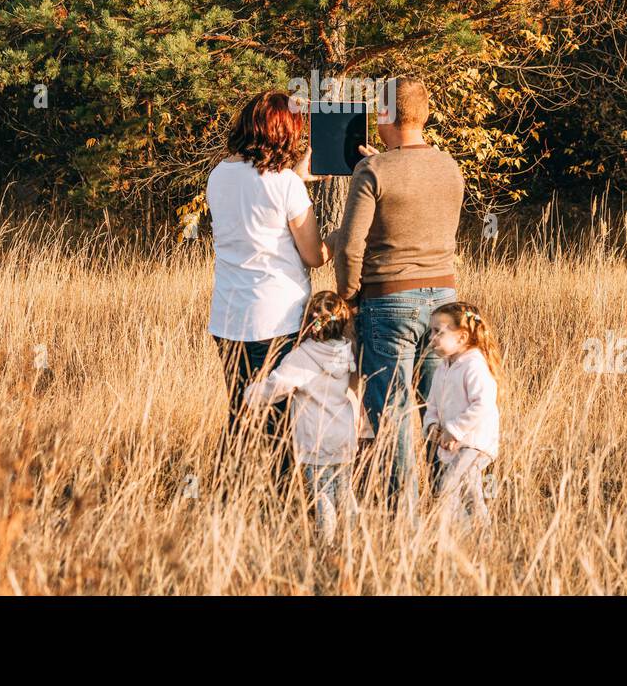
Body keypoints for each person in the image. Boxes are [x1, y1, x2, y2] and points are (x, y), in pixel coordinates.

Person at [330, 77, 464, 516]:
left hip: (388, 300)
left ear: (385, 116)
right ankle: (447, 502)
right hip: (444, 301)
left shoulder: (373, 172)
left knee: (392, 411)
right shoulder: (450, 166)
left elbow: (351, 244)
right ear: (422, 115)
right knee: (437, 408)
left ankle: (401, 512)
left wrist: (348, 296)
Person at [206, 91, 330, 472]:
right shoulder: (286, 186)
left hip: (228, 317)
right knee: (280, 420)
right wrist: (338, 239)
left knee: (241, 413)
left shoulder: (218, 175)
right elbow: (314, 255)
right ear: (283, 132)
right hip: (276, 319)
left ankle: (231, 490)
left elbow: (254, 207)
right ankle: (283, 501)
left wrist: (295, 180)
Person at [243, 291, 361, 545]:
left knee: (323, 496)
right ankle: (353, 539)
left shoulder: (302, 357)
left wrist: (249, 394)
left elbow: (277, 386)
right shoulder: (346, 352)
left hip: (315, 438)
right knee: (344, 491)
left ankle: (326, 544)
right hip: (343, 435)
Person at [424, 302, 501, 530]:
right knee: (471, 493)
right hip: (454, 444)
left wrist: (454, 430)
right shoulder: (443, 367)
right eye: (431, 331)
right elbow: (433, 404)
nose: (432, 337)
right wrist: (431, 426)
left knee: (449, 487)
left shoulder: (474, 365)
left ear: (461, 337)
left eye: (439, 332)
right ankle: (478, 539)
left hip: (475, 442)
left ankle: (463, 536)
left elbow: (483, 403)